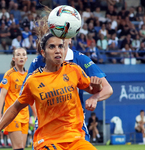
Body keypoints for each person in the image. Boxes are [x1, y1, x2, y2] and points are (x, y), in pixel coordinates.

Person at [0, 32, 104, 150]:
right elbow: (15, 108)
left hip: (75, 139)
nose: (57, 50)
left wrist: (97, 87)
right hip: (48, 141)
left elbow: (95, 90)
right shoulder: (33, 81)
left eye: (60, 46)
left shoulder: (74, 70)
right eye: (52, 46)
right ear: (43, 53)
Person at [28, 16, 113, 144]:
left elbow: (108, 88)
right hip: (47, 127)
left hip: (74, 124)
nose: (62, 37)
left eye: (65, 35)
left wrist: (94, 97)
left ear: (70, 40)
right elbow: (26, 94)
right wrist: (37, 116)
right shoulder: (39, 61)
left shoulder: (80, 60)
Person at [0, 47, 36, 150]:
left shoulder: (29, 76)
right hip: (12, 115)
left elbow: (31, 99)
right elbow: (2, 96)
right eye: (18, 55)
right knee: (19, 147)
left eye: (23, 55)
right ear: (14, 58)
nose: (21, 57)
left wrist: (37, 115)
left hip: (25, 116)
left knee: (21, 147)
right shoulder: (9, 74)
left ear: (26, 58)